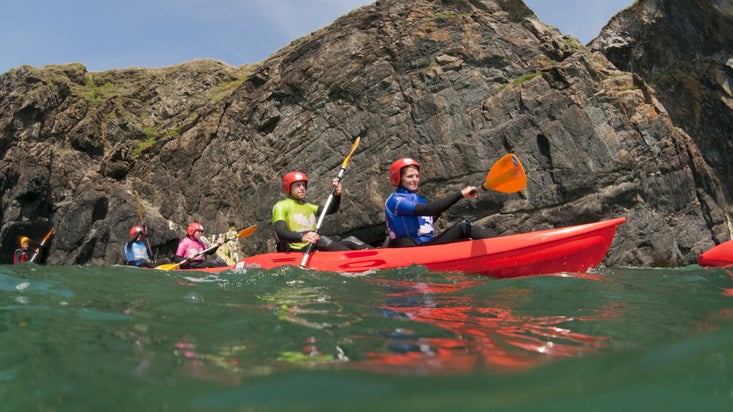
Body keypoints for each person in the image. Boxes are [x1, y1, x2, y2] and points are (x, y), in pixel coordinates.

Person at [384, 157, 497, 247]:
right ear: (397, 178)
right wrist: (460, 194)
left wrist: (444, 207)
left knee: (465, 240)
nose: (415, 180)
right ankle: (500, 245)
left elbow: (427, 220)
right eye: (410, 176)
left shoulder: (419, 199)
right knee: (464, 226)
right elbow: (427, 210)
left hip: (425, 246)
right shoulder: (396, 200)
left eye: (417, 176)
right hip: (412, 249)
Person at [272, 171, 372, 252]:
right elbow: (281, 232)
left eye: (303, 185)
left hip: (313, 245)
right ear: (288, 188)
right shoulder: (281, 206)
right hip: (296, 249)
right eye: (298, 185)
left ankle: (378, 253)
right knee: (322, 240)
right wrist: (302, 237)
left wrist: (337, 195)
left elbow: (331, 209)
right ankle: (354, 259)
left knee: (351, 240)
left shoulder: (308, 206)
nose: (302, 188)